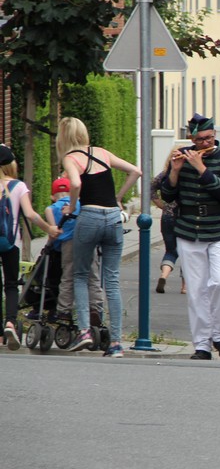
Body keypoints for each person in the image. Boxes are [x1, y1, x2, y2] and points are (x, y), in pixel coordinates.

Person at [162, 113, 220, 360]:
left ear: (214, 135)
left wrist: (201, 168)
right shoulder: (181, 156)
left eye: (208, 138)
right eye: (199, 140)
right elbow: (167, 195)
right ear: (192, 138)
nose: (204, 143)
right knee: (197, 290)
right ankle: (201, 344)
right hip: (189, 229)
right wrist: (175, 172)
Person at [58, 117, 142, 357]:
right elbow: (136, 171)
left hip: (90, 216)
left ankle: (85, 331)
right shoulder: (102, 153)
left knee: (80, 275)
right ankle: (116, 343)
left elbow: (75, 183)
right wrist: (118, 197)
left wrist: (71, 206)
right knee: (112, 280)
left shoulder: (71, 158)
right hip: (113, 217)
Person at [0, 145, 60, 350]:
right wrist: (49, 228)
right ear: (10, 165)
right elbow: (31, 214)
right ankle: (10, 323)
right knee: (10, 285)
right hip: (10, 243)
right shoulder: (18, 186)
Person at [45, 177, 102, 327]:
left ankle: (64, 310)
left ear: (52, 196)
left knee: (68, 276)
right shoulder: (82, 204)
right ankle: (95, 307)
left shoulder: (51, 209)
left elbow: (54, 233)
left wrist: (48, 246)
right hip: (87, 240)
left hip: (68, 244)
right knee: (92, 275)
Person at [152, 154, 184, 294]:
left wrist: (161, 205)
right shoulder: (189, 175)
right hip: (183, 217)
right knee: (187, 252)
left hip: (167, 217)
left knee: (170, 251)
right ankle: (185, 286)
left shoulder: (165, 175)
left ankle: (163, 276)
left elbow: (150, 188)